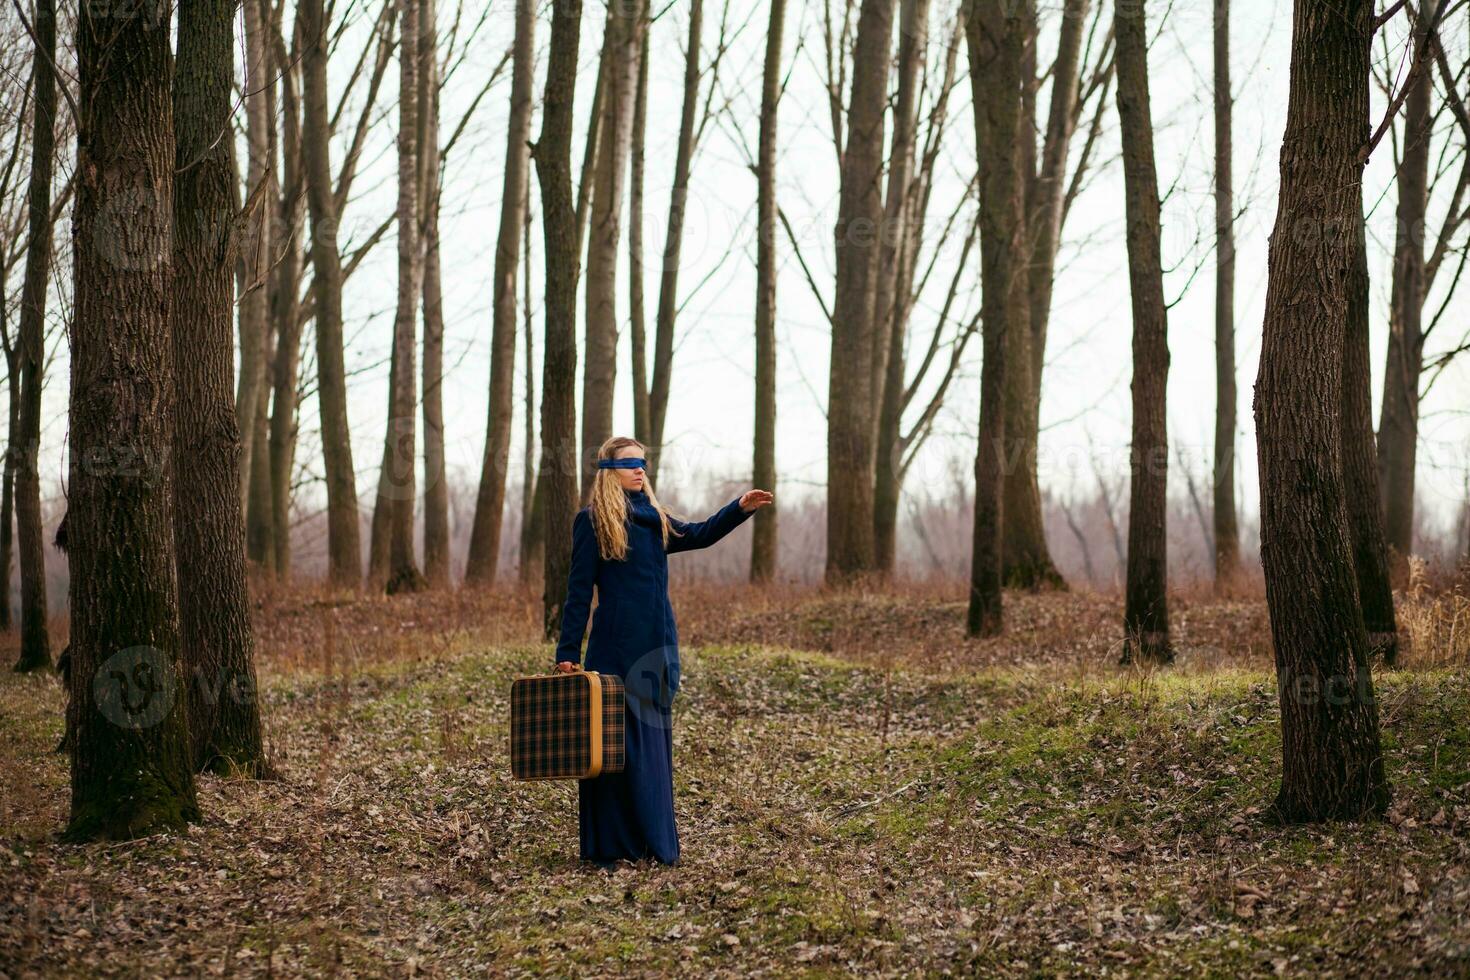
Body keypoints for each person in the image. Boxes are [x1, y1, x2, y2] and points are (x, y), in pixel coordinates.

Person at [553, 436, 773, 869]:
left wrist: (739, 508)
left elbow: (700, 534)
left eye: (643, 463)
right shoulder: (592, 521)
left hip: (656, 649)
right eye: (630, 463)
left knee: (651, 748)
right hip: (613, 651)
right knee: (614, 750)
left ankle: (652, 844)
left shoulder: (656, 519)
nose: (640, 470)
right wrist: (567, 652)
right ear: (607, 471)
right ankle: (612, 848)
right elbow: (578, 594)